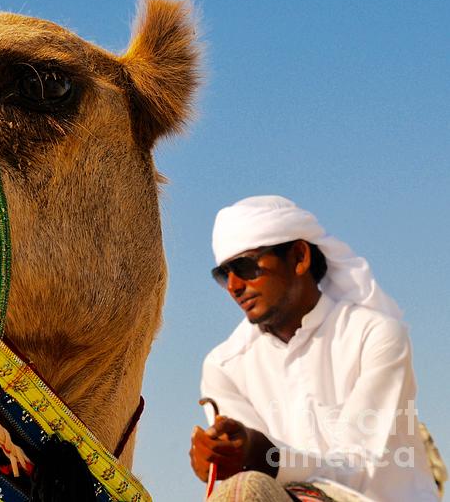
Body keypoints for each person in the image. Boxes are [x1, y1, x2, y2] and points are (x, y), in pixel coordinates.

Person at [189, 195, 442, 502]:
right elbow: (249, 476)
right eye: (223, 274)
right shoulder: (223, 366)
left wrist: (261, 453)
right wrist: (225, 459)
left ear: (298, 257)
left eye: (244, 266)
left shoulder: (374, 335)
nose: (233, 286)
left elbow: (356, 468)